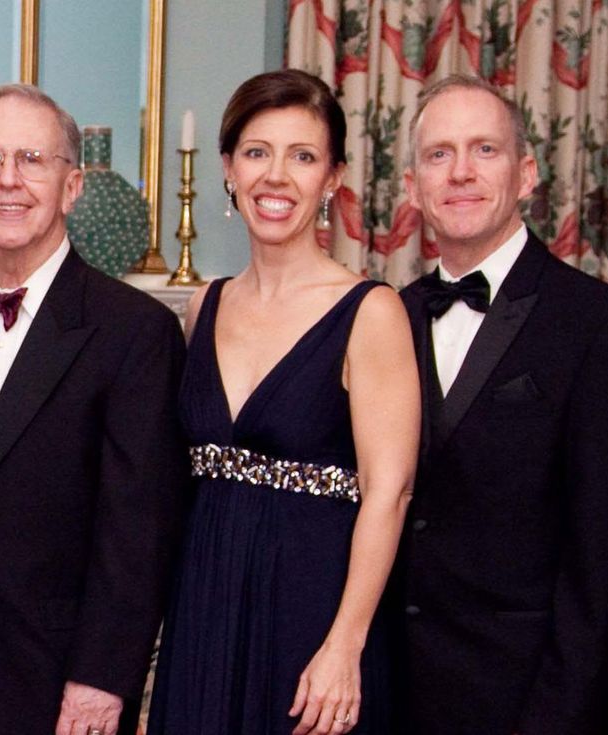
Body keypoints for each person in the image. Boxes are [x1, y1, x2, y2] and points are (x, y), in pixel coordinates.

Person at [0, 84, 188, 735]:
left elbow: (137, 530)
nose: (9, 180)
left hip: (48, 677)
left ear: (73, 184)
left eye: (32, 158)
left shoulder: (134, 331)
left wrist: (102, 680)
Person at [148, 69, 420, 734]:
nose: (276, 176)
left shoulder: (370, 310)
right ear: (228, 169)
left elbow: (392, 492)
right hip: (205, 604)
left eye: (302, 156)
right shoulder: (202, 306)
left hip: (312, 609)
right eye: (257, 151)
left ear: (332, 179)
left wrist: (344, 644)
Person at [396, 74, 608, 734]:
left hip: (532, 707)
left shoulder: (605, 328)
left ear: (526, 175)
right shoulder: (385, 320)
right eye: (439, 154)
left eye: (484, 150)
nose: (460, 172)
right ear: (411, 188)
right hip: (392, 701)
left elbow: (606, 570)